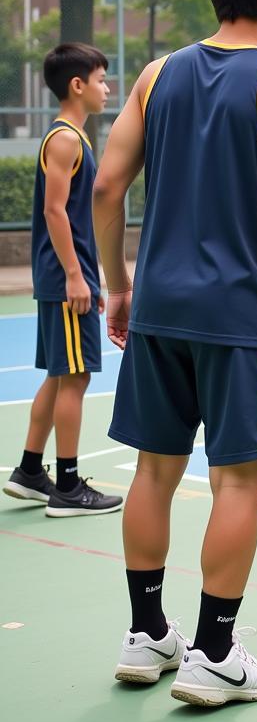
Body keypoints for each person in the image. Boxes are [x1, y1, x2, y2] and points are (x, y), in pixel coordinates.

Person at [94, 0, 257, 704]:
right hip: (233, 314)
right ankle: (216, 653)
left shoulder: (157, 75)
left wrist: (119, 284)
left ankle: (145, 636)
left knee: (153, 471)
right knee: (238, 480)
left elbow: (105, 187)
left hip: (158, 307)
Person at [3, 43, 122, 517]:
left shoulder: (70, 137)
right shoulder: (66, 139)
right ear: (78, 85)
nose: (107, 87)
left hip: (64, 276)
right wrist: (76, 276)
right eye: (100, 79)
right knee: (76, 375)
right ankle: (68, 487)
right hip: (63, 277)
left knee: (60, 375)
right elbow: (56, 210)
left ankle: (31, 471)